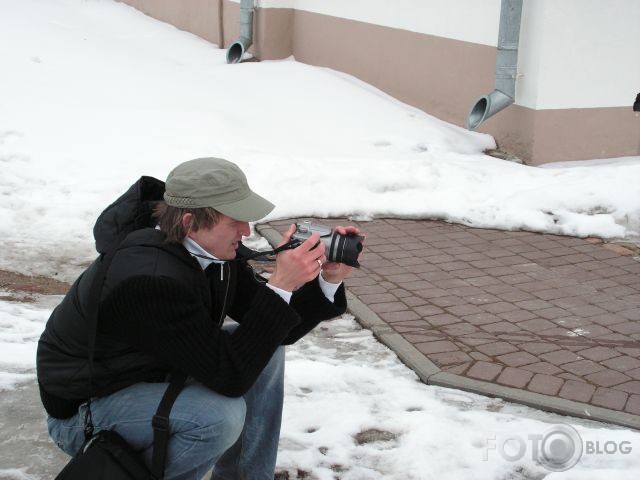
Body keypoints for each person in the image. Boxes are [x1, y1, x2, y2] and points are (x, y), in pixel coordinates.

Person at [37, 157, 361, 479]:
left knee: (268, 347)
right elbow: (229, 376)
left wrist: (327, 280)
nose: (247, 231)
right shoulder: (147, 279)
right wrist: (281, 284)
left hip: (150, 374)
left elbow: (274, 328)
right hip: (87, 410)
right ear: (191, 221)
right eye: (235, 220)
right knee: (217, 418)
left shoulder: (209, 252)